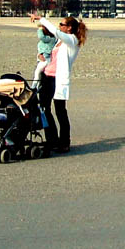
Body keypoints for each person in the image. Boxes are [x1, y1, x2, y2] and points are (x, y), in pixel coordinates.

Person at [30, 13, 87, 154]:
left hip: (59, 79)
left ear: (69, 28)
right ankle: (52, 140)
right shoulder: (59, 41)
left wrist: (41, 19)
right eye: (60, 24)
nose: (59, 26)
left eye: (62, 24)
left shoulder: (72, 40)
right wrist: (40, 55)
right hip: (47, 76)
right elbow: (49, 53)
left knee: (60, 111)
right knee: (44, 109)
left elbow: (55, 31)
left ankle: (64, 142)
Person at [32, 21, 57, 89]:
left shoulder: (49, 39)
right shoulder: (52, 39)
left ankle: (34, 87)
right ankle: (37, 87)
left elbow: (41, 36)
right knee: (40, 74)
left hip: (45, 57)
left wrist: (40, 29)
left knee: (37, 72)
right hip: (45, 57)